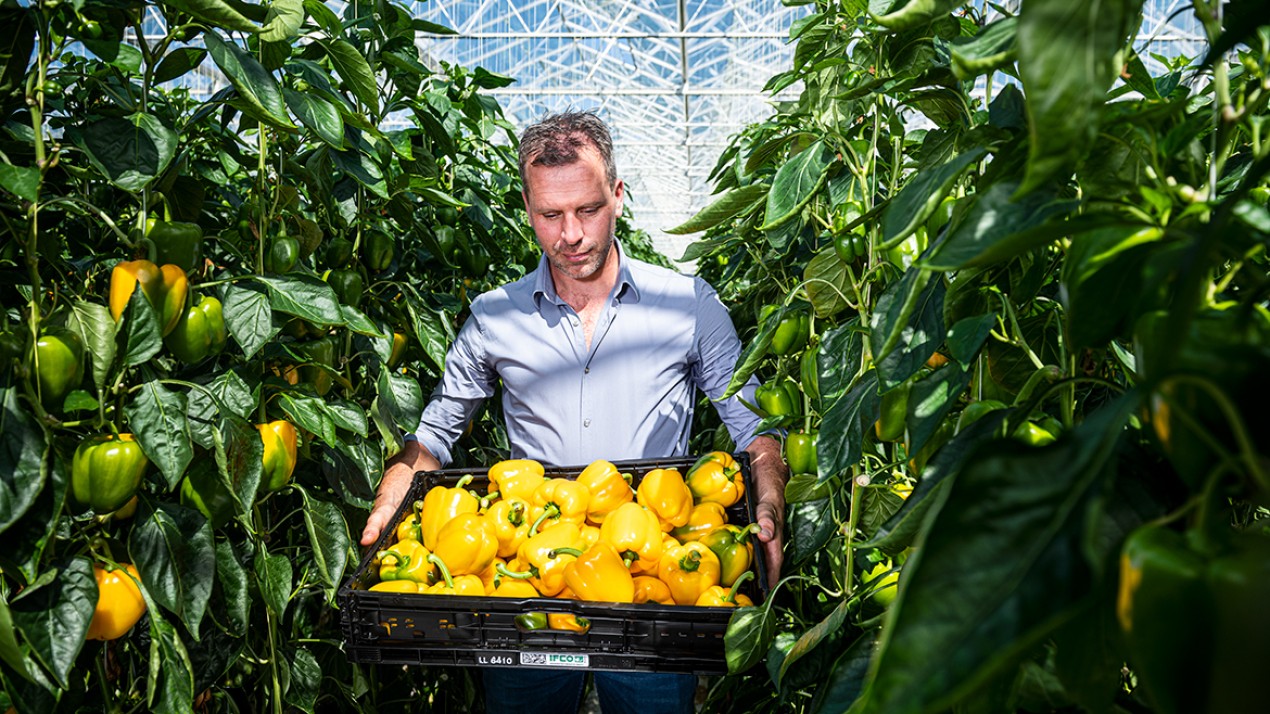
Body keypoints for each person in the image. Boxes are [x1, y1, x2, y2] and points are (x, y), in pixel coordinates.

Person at [359, 110, 787, 714]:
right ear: (527, 208)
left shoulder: (688, 305)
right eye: (550, 215)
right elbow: (436, 433)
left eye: (587, 210)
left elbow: (754, 428)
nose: (571, 235)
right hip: (528, 585)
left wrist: (768, 490)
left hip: (652, 590)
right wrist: (396, 484)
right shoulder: (493, 317)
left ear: (617, 196)